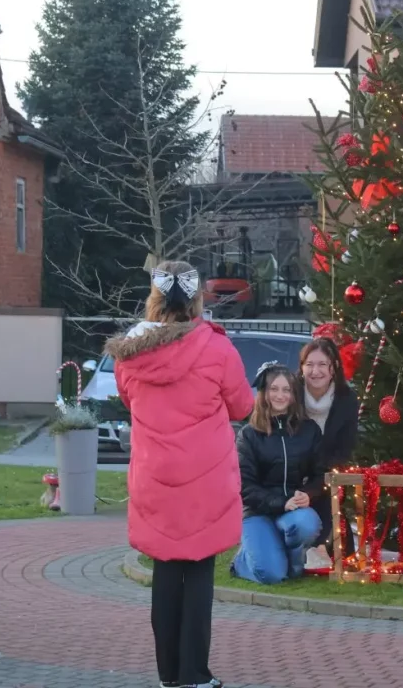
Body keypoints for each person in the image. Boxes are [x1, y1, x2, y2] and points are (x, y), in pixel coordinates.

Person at [105, 261, 253, 688]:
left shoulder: (131, 354)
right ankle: (195, 673)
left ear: (153, 297)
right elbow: (242, 406)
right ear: (197, 299)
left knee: (165, 572)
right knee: (200, 571)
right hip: (206, 476)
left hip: (154, 474)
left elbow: (130, 400)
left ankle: (169, 674)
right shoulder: (217, 348)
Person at [232, 363, 324, 584]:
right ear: (264, 393)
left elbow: (321, 474)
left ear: (294, 395)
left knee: (307, 524)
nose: (280, 396)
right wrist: (281, 503)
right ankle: (241, 561)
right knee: (272, 575)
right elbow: (244, 486)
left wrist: (308, 493)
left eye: (286, 390)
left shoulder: (309, 430)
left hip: (294, 511)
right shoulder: (249, 435)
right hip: (257, 512)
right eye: (274, 389)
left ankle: (290, 562)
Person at [296, 338, 359, 569]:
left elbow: (345, 447)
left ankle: (321, 547)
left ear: (334, 367)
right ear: (302, 367)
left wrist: (317, 481)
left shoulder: (347, 399)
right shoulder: (292, 394)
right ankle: (315, 547)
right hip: (294, 467)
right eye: (310, 364)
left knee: (326, 489)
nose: (316, 371)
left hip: (329, 470)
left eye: (322, 364)